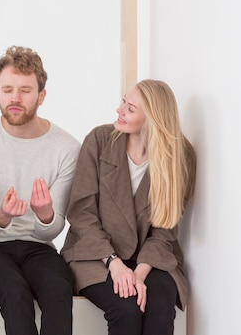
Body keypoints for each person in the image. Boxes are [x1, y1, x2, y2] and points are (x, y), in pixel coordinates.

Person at [60, 79, 196, 335]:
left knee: (160, 304)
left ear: (152, 120)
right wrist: (114, 263)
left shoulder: (179, 156)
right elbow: (82, 213)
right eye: (124, 101)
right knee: (126, 308)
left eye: (130, 108)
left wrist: (140, 273)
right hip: (95, 254)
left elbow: (165, 230)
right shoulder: (99, 140)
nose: (119, 110)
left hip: (151, 257)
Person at [0, 46, 80, 335]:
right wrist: (1, 216)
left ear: (41, 95)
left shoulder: (66, 148)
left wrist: (46, 215)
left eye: (25, 90)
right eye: (7, 89)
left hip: (39, 248)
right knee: (15, 293)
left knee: (58, 291)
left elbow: (53, 231)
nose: (15, 98)